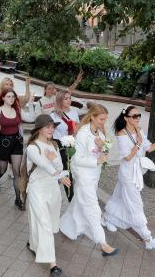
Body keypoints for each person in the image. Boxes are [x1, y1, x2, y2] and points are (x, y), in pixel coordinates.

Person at [102, 105, 155, 250]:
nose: (138, 118)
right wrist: (139, 143)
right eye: (134, 116)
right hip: (128, 175)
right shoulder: (121, 133)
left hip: (135, 173)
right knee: (136, 206)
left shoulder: (139, 130)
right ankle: (148, 239)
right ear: (126, 118)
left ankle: (107, 218)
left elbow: (149, 148)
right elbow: (127, 157)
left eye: (138, 115)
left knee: (119, 197)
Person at [59, 104, 119, 257]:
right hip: (84, 176)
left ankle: (66, 226)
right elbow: (76, 159)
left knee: (79, 203)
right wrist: (96, 161)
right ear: (92, 116)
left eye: (105, 119)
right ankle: (103, 244)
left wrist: (103, 147)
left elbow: (103, 153)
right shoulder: (83, 133)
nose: (103, 122)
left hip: (94, 176)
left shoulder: (100, 132)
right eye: (101, 119)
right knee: (93, 208)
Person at [24, 114, 71, 277]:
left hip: (52, 189)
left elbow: (58, 164)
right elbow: (44, 164)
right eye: (48, 127)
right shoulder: (32, 148)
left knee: (49, 223)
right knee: (44, 223)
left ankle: (33, 243)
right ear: (39, 129)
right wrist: (59, 175)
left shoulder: (54, 145)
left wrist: (55, 161)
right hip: (37, 189)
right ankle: (53, 266)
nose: (51, 129)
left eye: (53, 127)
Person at [0, 87, 35, 210]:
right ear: (3, 98)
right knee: (2, 170)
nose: (11, 99)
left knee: (16, 171)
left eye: (13, 96)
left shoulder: (17, 109)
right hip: (3, 143)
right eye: (8, 96)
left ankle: (18, 199)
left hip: (16, 143)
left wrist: (30, 103)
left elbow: (31, 118)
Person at [50, 89, 80, 201]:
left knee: (73, 170)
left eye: (70, 98)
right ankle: (71, 198)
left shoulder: (74, 112)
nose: (69, 100)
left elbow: (76, 129)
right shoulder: (53, 115)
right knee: (67, 171)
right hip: (60, 146)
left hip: (72, 144)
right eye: (66, 98)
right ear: (59, 100)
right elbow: (50, 134)